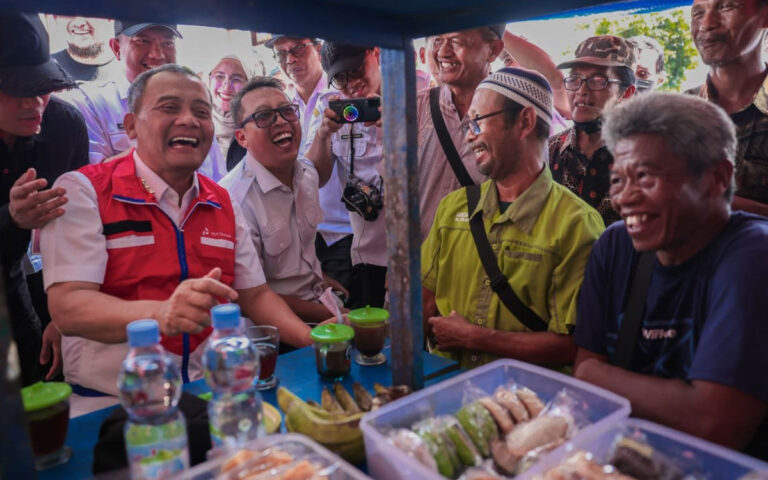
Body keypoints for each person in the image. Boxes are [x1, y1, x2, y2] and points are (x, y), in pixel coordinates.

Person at [41, 65, 312, 415]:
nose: (189, 120)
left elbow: (255, 294)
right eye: (169, 108)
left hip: (213, 394)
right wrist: (161, 314)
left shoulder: (221, 200)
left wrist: (314, 338)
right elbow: (68, 307)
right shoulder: (84, 191)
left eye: (201, 111)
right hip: (112, 404)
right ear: (131, 126)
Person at [574, 92, 768, 460]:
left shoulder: (754, 257)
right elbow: (584, 372)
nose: (624, 198)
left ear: (716, 178)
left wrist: (596, 376)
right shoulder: (614, 246)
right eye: (617, 180)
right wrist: (590, 375)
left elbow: (714, 425)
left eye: (644, 176)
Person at [422, 67, 604, 370]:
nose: (469, 136)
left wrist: (478, 338)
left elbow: (574, 346)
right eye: (468, 125)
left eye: (477, 122)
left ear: (525, 121)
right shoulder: (452, 209)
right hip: (447, 391)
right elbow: (424, 304)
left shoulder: (576, 224)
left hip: (527, 404)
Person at [0, 12, 89, 386]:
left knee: (38, 385)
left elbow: (80, 226)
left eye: (44, 87)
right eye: (19, 90)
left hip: (23, 274)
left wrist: (66, 311)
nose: (35, 102)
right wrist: (10, 218)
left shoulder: (65, 125)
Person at [221, 77, 332, 323]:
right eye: (264, 116)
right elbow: (250, 295)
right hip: (274, 329)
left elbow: (303, 254)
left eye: (286, 111)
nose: (280, 121)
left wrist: (324, 282)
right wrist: (332, 315)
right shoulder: (233, 199)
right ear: (241, 138)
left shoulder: (306, 175)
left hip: (322, 303)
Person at [61, 20, 227, 180]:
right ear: (116, 47)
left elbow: (217, 177)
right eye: (142, 41)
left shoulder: (194, 107)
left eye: (167, 43)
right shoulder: (91, 104)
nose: (157, 54)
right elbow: (94, 178)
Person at [267, 35, 354, 294]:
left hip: (344, 234)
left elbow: (312, 172)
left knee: (352, 318)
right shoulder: (283, 105)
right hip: (302, 238)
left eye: (297, 49)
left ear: (318, 49)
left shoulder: (342, 95)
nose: (290, 59)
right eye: (281, 53)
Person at [305, 42, 387, 309]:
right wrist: (323, 134)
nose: (352, 83)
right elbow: (314, 175)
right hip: (369, 251)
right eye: (341, 78)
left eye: (356, 69)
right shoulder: (330, 105)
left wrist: (396, 125)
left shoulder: (415, 95)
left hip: (417, 245)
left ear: (375, 53)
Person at [416, 25, 505, 241]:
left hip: (484, 263)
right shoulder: (413, 108)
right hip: (422, 261)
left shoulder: (510, 114)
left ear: (493, 50)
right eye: (438, 40)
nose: (443, 52)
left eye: (456, 41)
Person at [686, 0, 768, 216]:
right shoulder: (674, 115)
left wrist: (719, 202)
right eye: (697, 13)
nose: (706, 24)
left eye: (726, 7)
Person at [549, 35, 637, 226]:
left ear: (626, 93)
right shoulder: (548, 151)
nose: (581, 90)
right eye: (574, 79)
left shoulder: (641, 157)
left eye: (598, 80)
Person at [48, 15, 120, 82]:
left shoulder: (127, 72)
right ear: (55, 18)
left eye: (89, 12)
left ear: (111, 18)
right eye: (69, 12)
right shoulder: (43, 72)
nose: (79, 23)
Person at [208, 54, 248, 157]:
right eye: (219, 76)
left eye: (236, 79)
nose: (226, 86)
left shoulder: (257, 125)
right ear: (209, 81)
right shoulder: (197, 125)